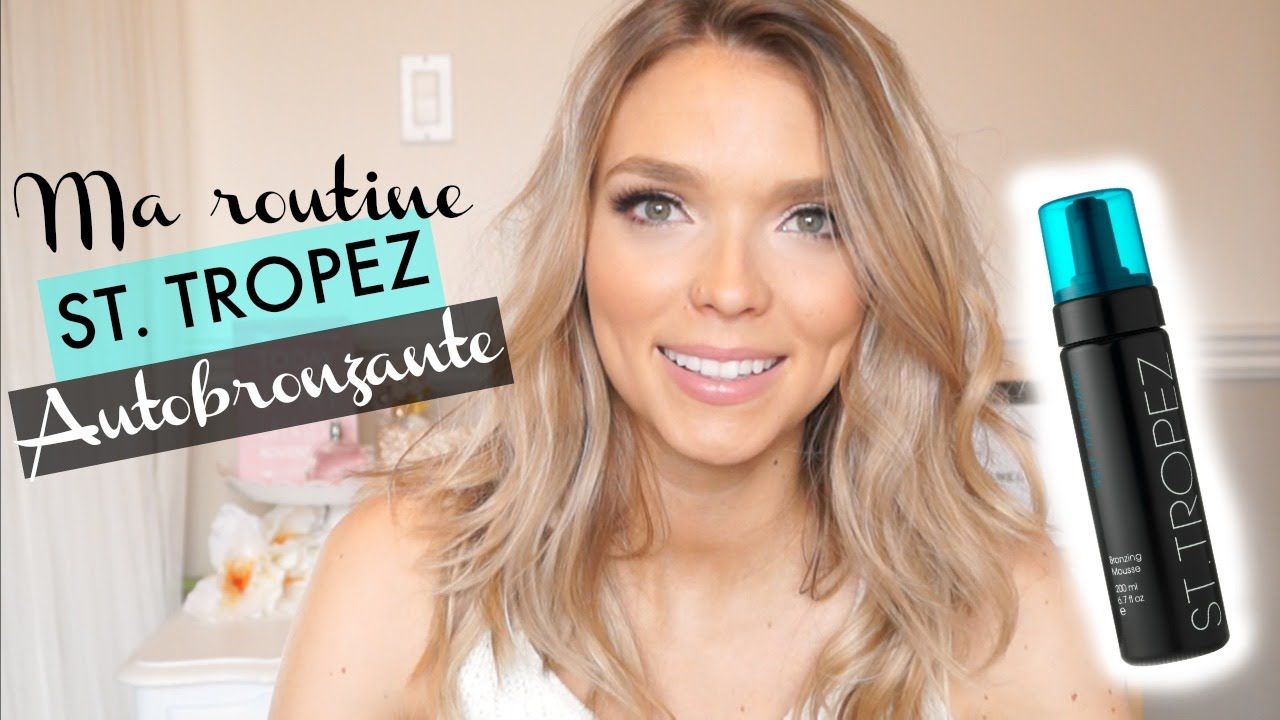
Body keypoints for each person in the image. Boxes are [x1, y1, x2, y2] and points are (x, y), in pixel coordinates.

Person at [270, 1, 1132, 717]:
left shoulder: (1018, 620)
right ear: (577, 242)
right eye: (658, 206)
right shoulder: (398, 580)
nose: (729, 288)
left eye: (813, 220)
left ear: (882, 268)